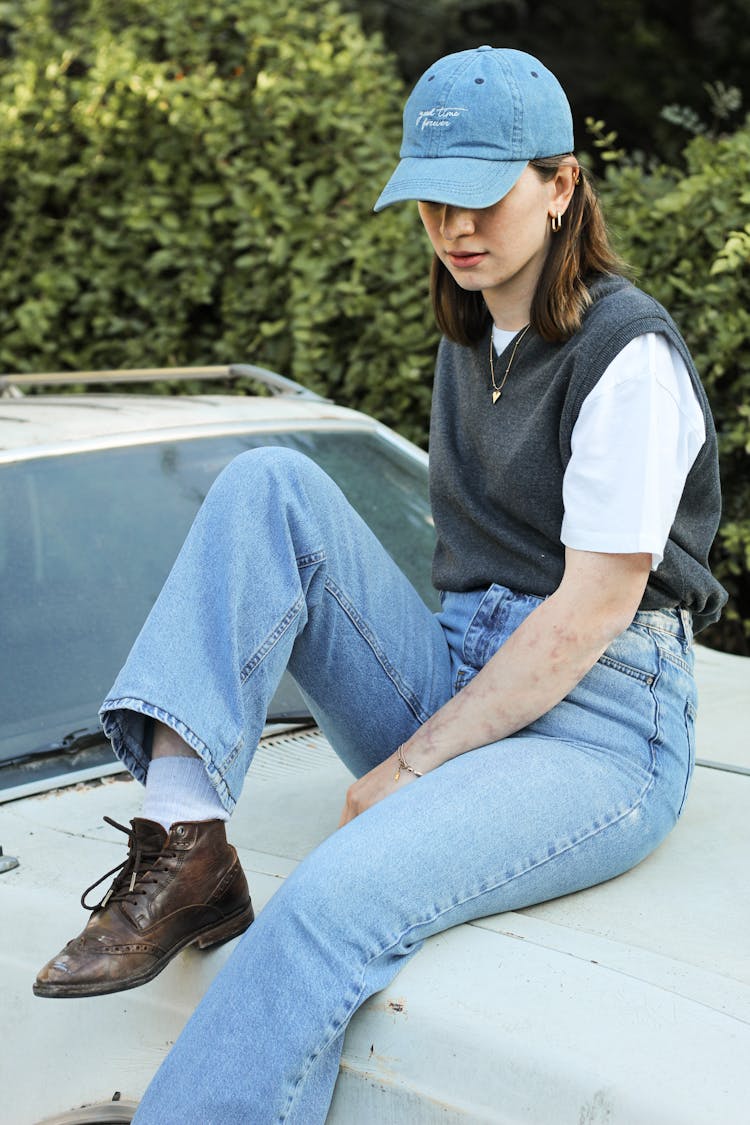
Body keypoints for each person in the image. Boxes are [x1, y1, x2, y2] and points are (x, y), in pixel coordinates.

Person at [35, 45, 726, 1122]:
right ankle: (185, 841)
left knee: (331, 900)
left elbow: (590, 612)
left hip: (597, 729)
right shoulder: (473, 330)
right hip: (466, 673)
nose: (453, 227)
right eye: (430, 201)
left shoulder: (625, 352)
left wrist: (408, 767)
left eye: (480, 196)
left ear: (560, 184)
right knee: (269, 481)